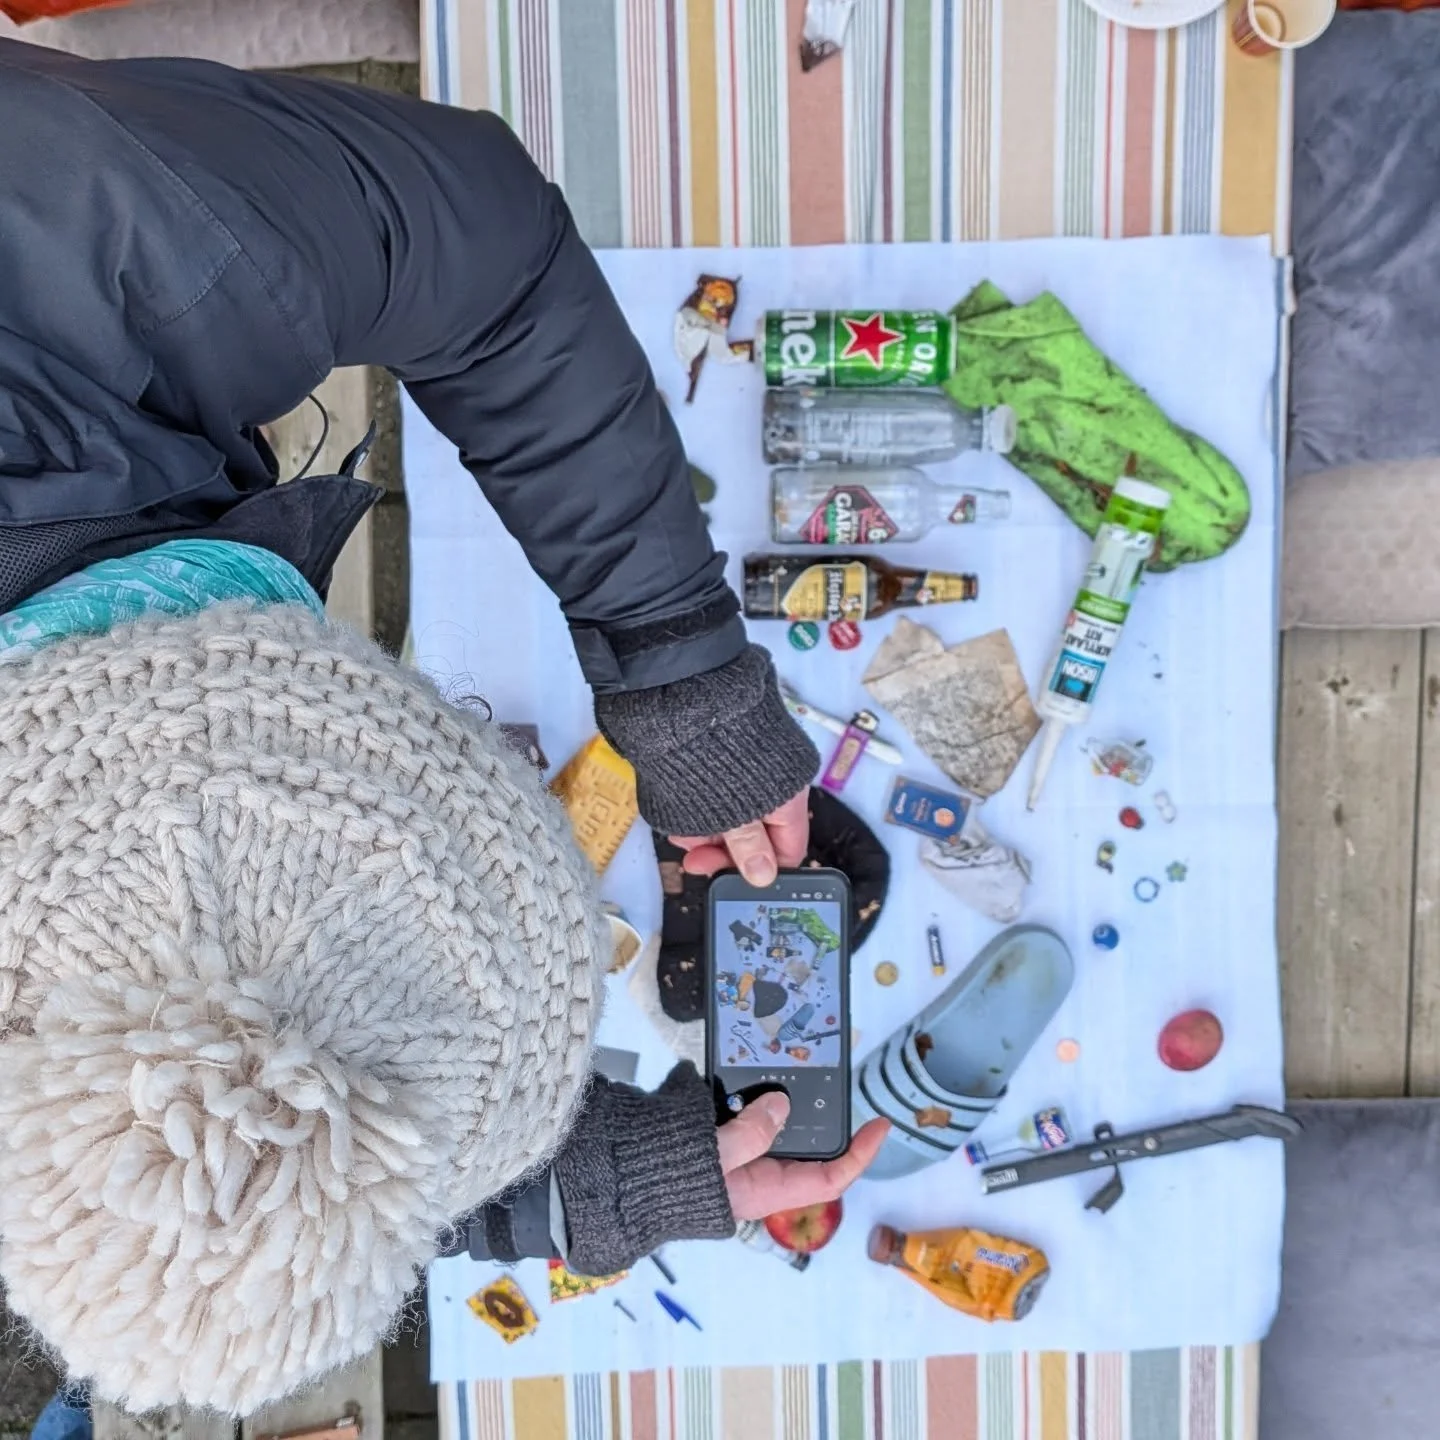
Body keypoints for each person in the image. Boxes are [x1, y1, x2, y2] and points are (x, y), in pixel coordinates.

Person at [0, 40, 887, 1417]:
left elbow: (485, 256)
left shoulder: (96, 216)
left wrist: (680, 662)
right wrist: (561, 1195)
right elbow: (171, 1181)